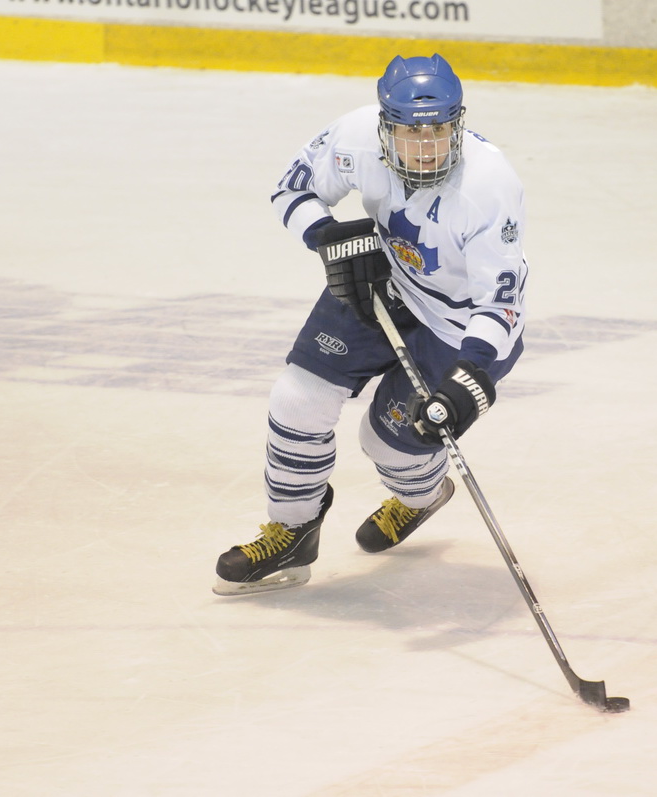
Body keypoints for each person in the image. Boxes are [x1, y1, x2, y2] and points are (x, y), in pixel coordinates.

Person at [214, 53, 528, 596]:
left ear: (458, 125)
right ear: (385, 127)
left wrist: (470, 374)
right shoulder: (355, 136)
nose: (426, 148)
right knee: (297, 397)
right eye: (410, 133)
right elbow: (290, 190)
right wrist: (329, 237)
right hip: (381, 284)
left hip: (458, 327)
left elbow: (501, 304)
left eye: (439, 132)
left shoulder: (489, 184)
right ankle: (290, 530)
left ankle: (421, 496)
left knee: (387, 443)